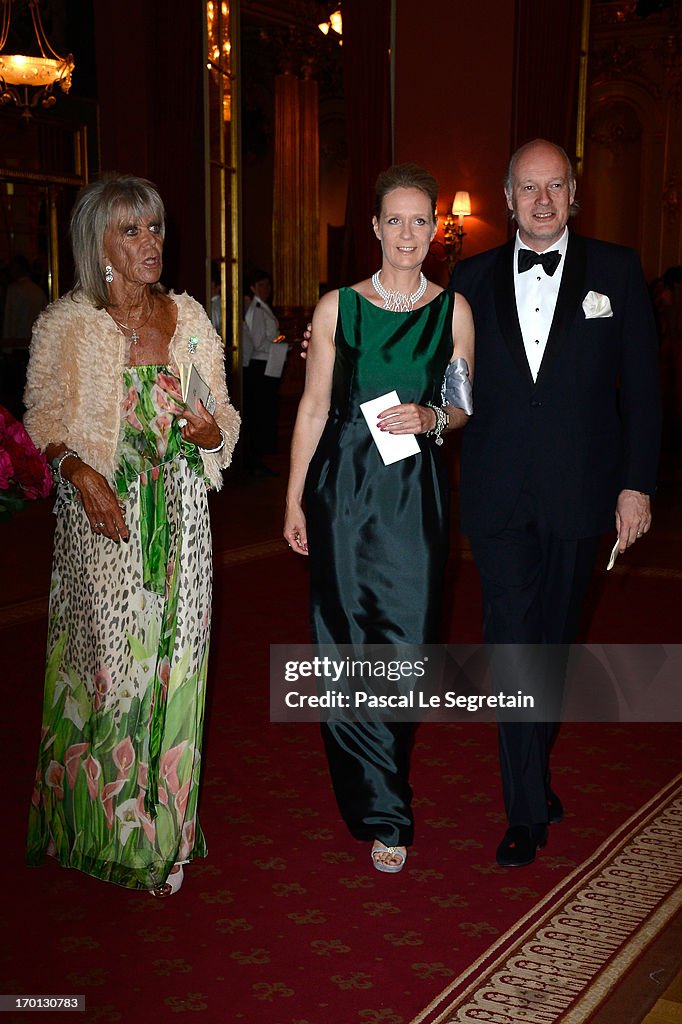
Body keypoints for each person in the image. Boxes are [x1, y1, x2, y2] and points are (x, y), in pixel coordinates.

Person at [23, 174, 240, 894]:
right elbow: (42, 423)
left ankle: (166, 834)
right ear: (100, 244)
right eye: (132, 231)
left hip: (181, 515)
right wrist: (80, 471)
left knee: (178, 672)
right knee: (114, 676)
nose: (151, 244)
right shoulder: (66, 323)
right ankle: (106, 827)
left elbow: (223, 416)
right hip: (104, 520)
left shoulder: (189, 318)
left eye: (155, 229)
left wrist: (213, 432)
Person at [450, 139, 661, 867]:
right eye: (528, 188)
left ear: (575, 192)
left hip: (583, 496)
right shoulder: (468, 277)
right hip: (498, 493)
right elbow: (444, 377)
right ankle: (525, 811)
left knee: (555, 644)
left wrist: (637, 485)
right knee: (514, 645)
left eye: (556, 187)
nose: (542, 201)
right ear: (507, 198)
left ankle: (533, 772)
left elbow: (644, 391)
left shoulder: (617, 271)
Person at [284, 164, 475, 873]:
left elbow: (462, 406)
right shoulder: (339, 308)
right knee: (344, 645)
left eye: (419, 221)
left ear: (435, 229)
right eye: (393, 220)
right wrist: (294, 498)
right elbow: (311, 408)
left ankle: (381, 781)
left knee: (407, 646)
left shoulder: (453, 311)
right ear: (373, 227)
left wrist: (431, 416)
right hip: (343, 492)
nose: (406, 233)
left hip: (413, 497)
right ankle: (383, 808)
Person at [242, 270, 286, 475]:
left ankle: (258, 458)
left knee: (265, 412)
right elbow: (259, 342)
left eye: (268, 285)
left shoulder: (263, 308)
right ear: (253, 288)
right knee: (259, 413)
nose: (266, 290)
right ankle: (254, 460)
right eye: (261, 286)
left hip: (267, 365)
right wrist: (278, 341)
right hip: (260, 366)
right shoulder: (257, 309)